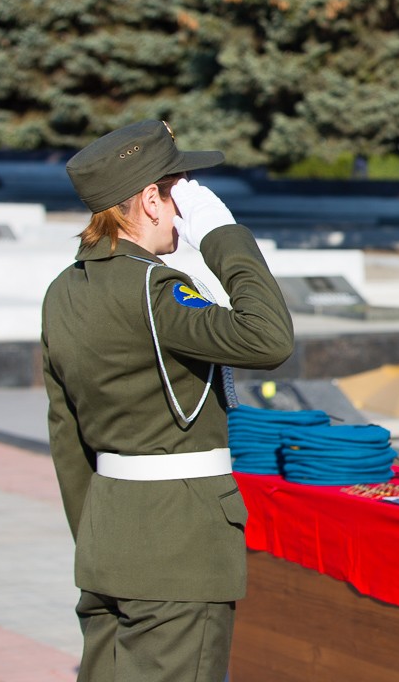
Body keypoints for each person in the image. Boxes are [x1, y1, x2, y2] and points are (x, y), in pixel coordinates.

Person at [41, 120, 295, 681]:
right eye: (178, 190)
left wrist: (100, 534)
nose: (185, 208)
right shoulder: (156, 289)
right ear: (151, 201)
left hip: (109, 538)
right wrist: (223, 234)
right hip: (179, 550)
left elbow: (66, 433)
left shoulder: (65, 290)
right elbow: (269, 339)